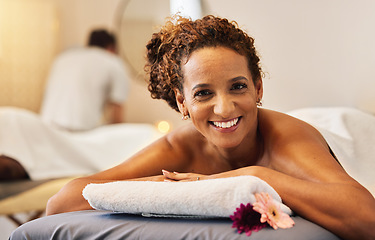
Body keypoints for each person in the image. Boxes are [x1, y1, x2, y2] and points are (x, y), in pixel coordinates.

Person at [45, 15, 375, 240]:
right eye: (203, 93)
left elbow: (366, 218)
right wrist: (176, 188)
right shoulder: (179, 148)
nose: (224, 108)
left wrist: (258, 177)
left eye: (238, 87)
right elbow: (62, 203)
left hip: (350, 132)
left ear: (258, 88)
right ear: (182, 102)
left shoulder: (284, 140)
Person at [40, 29, 131, 131]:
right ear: (111, 48)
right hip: (80, 132)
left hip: (45, 127)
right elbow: (117, 118)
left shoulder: (62, 58)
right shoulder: (113, 62)